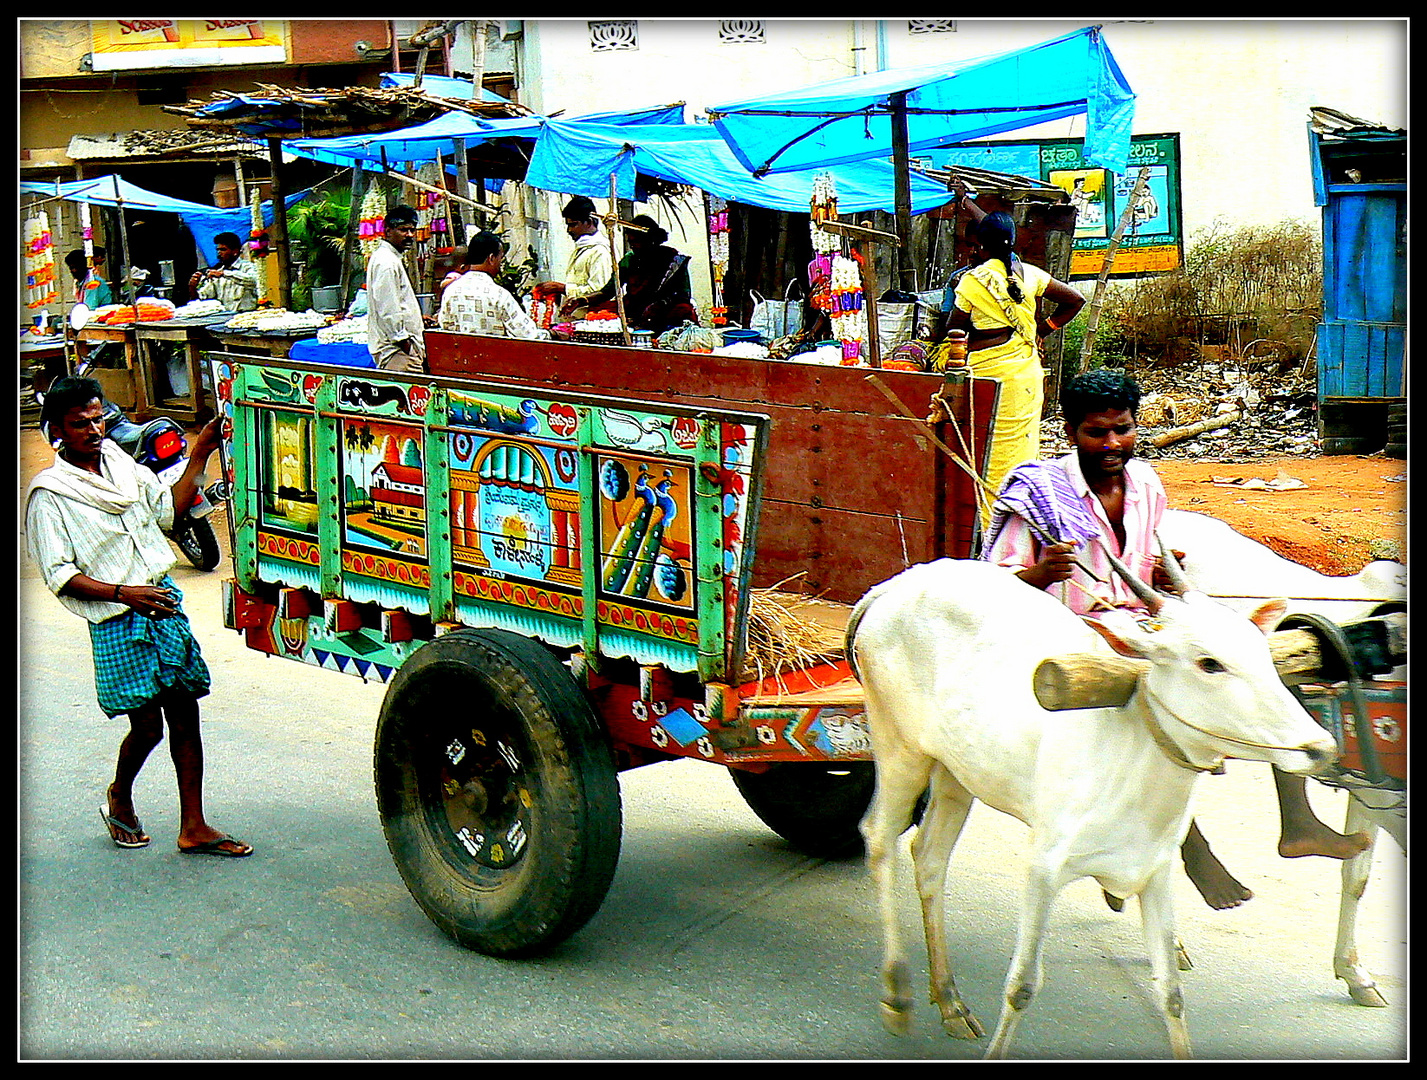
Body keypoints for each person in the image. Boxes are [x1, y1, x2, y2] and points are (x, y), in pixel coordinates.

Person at [982, 369, 1372, 910]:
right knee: (1166, 727)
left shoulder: (1145, 484)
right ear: (1070, 431)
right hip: (1071, 637)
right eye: (1097, 432)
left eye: (1123, 428)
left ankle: (1298, 821)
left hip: (1145, 628)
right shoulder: (1040, 494)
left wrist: (1164, 577)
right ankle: (1195, 856)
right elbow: (990, 587)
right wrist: (1040, 574)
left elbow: (1148, 557)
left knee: (1255, 670)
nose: (1113, 443)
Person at [25, 375, 252, 858]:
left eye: (96, 417)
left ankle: (194, 825)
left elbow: (168, 511)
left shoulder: (120, 463)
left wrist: (200, 453)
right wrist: (125, 593)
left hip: (161, 600)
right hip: (117, 614)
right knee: (148, 726)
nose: (92, 429)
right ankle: (120, 795)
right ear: (58, 432)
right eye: (78, 423)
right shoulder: (50, 494)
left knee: (185, 714)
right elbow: (59, 574)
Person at [930, 196, 1086, 531]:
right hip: (1026, 376)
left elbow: (953, 327)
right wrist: (1043, 329)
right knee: (1024, 455)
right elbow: (1076, 300)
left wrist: (965, 334)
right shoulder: (1030, 274)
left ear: (980, 245)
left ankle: (991, 532)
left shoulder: (972, 280)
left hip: (989, 376)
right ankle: (1024, 528)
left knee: (988, 459)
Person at [585, 214, 698, 333]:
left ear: (651, 240)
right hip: (634, 313)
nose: (633, 246)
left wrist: (659, 305)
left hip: (666, 316)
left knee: (683, 309)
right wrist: (582, 300)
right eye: (630, 242)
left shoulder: (673, 260)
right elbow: (608, 291)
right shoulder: (629, 260)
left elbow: (684, 295)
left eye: (637, 241)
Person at [438, 230, 550, 341]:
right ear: (491, 258)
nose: (500, 263)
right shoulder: (498, 295)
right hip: (494, 357)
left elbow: (444, 325)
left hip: (461, 356)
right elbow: (527, 335)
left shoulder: (451, 291)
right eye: (500, 257)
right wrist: (552, 334)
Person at [365, 204, 429, 373]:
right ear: (387, 232)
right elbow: (388, 310)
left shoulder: (390, 258)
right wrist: (405, 344)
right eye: (403, 230)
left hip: (401, 350)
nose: (409, 235)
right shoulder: (386, 262)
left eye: (412, 230)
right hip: (398, 353)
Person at [534, 196, 616, 322]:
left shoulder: (601, 251)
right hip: (573, 320)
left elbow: (600, 291)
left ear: (589, 222)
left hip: (591, 322)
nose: (569, 230)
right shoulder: (583, 248)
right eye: (568, 225)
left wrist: (562, 288)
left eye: (573, 225)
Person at [186, 231, 260, 312]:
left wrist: (224, 274)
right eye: (218, 250)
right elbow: (203, 298)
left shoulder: (247, 267)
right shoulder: (217, 273)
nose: (219, 253)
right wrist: (192, 287)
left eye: (223, 249)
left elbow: (254, 280)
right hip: (224, 317)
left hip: (246, 315)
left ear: (235, 251)